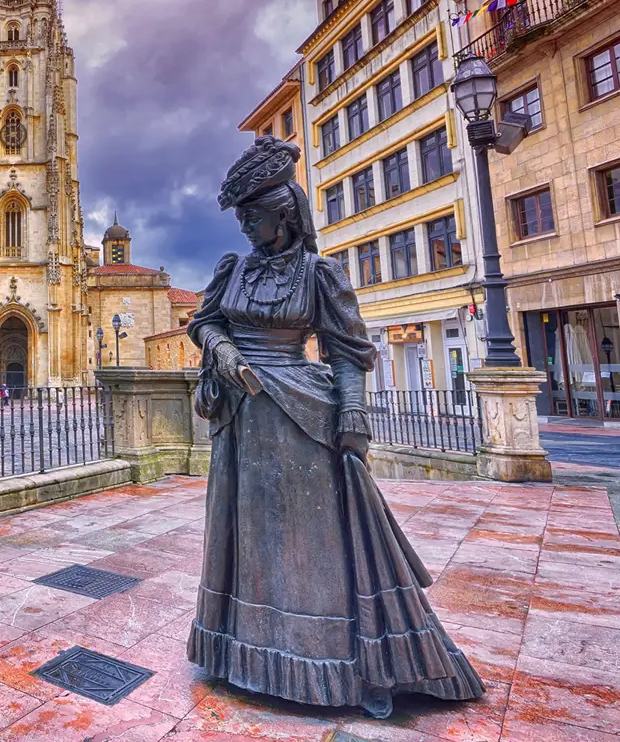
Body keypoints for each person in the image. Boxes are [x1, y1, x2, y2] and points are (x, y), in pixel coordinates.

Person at [186, 136, 483, 720]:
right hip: (242, 420)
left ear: (286, 214)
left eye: (255, 215)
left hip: (301, 418)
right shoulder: (234, 270)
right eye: (242, 216)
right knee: (246, 536)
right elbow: (203, 322)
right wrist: (220, 350)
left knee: (308, 543)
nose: (245, 226)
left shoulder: (319, 274)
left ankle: (325, 659)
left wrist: (353, 415)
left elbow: (348, 351)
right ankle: (242, 650)